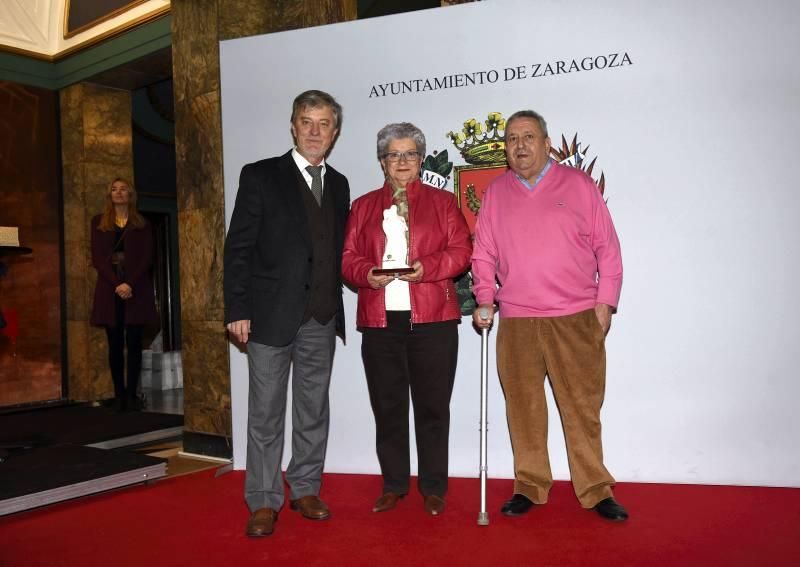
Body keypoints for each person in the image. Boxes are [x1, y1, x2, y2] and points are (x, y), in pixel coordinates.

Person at [471, 110, 628, 521]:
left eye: (528, 137)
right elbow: (483, 253)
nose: (519, 146)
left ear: (545, 143)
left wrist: (605, 303)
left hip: (575, 316)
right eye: (511, 139)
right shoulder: (495, 194)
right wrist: (484, 297)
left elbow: (607, 250)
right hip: (517, 320)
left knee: (582, 408)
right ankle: (530, 485)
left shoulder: (578, 185)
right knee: (523, 409)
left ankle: (596, 489)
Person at [224, 90, 350, 538]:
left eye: (324, 124)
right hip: (268, 316)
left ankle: (305, 488)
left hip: (320, 316)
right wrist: (237, 307)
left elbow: (335, 250)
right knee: (265, 414)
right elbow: (238, 247)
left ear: (334, 133)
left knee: (313, 408)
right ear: (293, 126)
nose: (315, 131)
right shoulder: (260, 176)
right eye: (307, 122)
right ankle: (262, 499)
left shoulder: (338, 184)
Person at [342, 122, 472, 516]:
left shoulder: (444, 202)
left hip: (434, 319)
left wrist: (427, 268)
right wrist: (368, 274)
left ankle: (434, 487)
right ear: (382, 162)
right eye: (394, 154)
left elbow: (461, 251)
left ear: (420, 159)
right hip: (381, 323)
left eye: (410, 153)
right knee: (388, 407)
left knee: (433, 408)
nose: (402, 161)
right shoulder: (363, 206)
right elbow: (347, 261)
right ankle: (394, 485)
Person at [90, 178, 158, 412]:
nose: (118, 193)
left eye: (123, 189)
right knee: (115, 343)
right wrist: (117, 283)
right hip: (110, 289)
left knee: (134, 343)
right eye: (114, 189)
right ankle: (119, 394)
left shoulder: (142, 223)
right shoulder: (99, 222)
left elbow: (147, 257)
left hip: (135, 289)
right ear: (109, 195)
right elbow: (98, 258)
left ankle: (132, 395)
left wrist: (129, 283)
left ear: (131, 194)